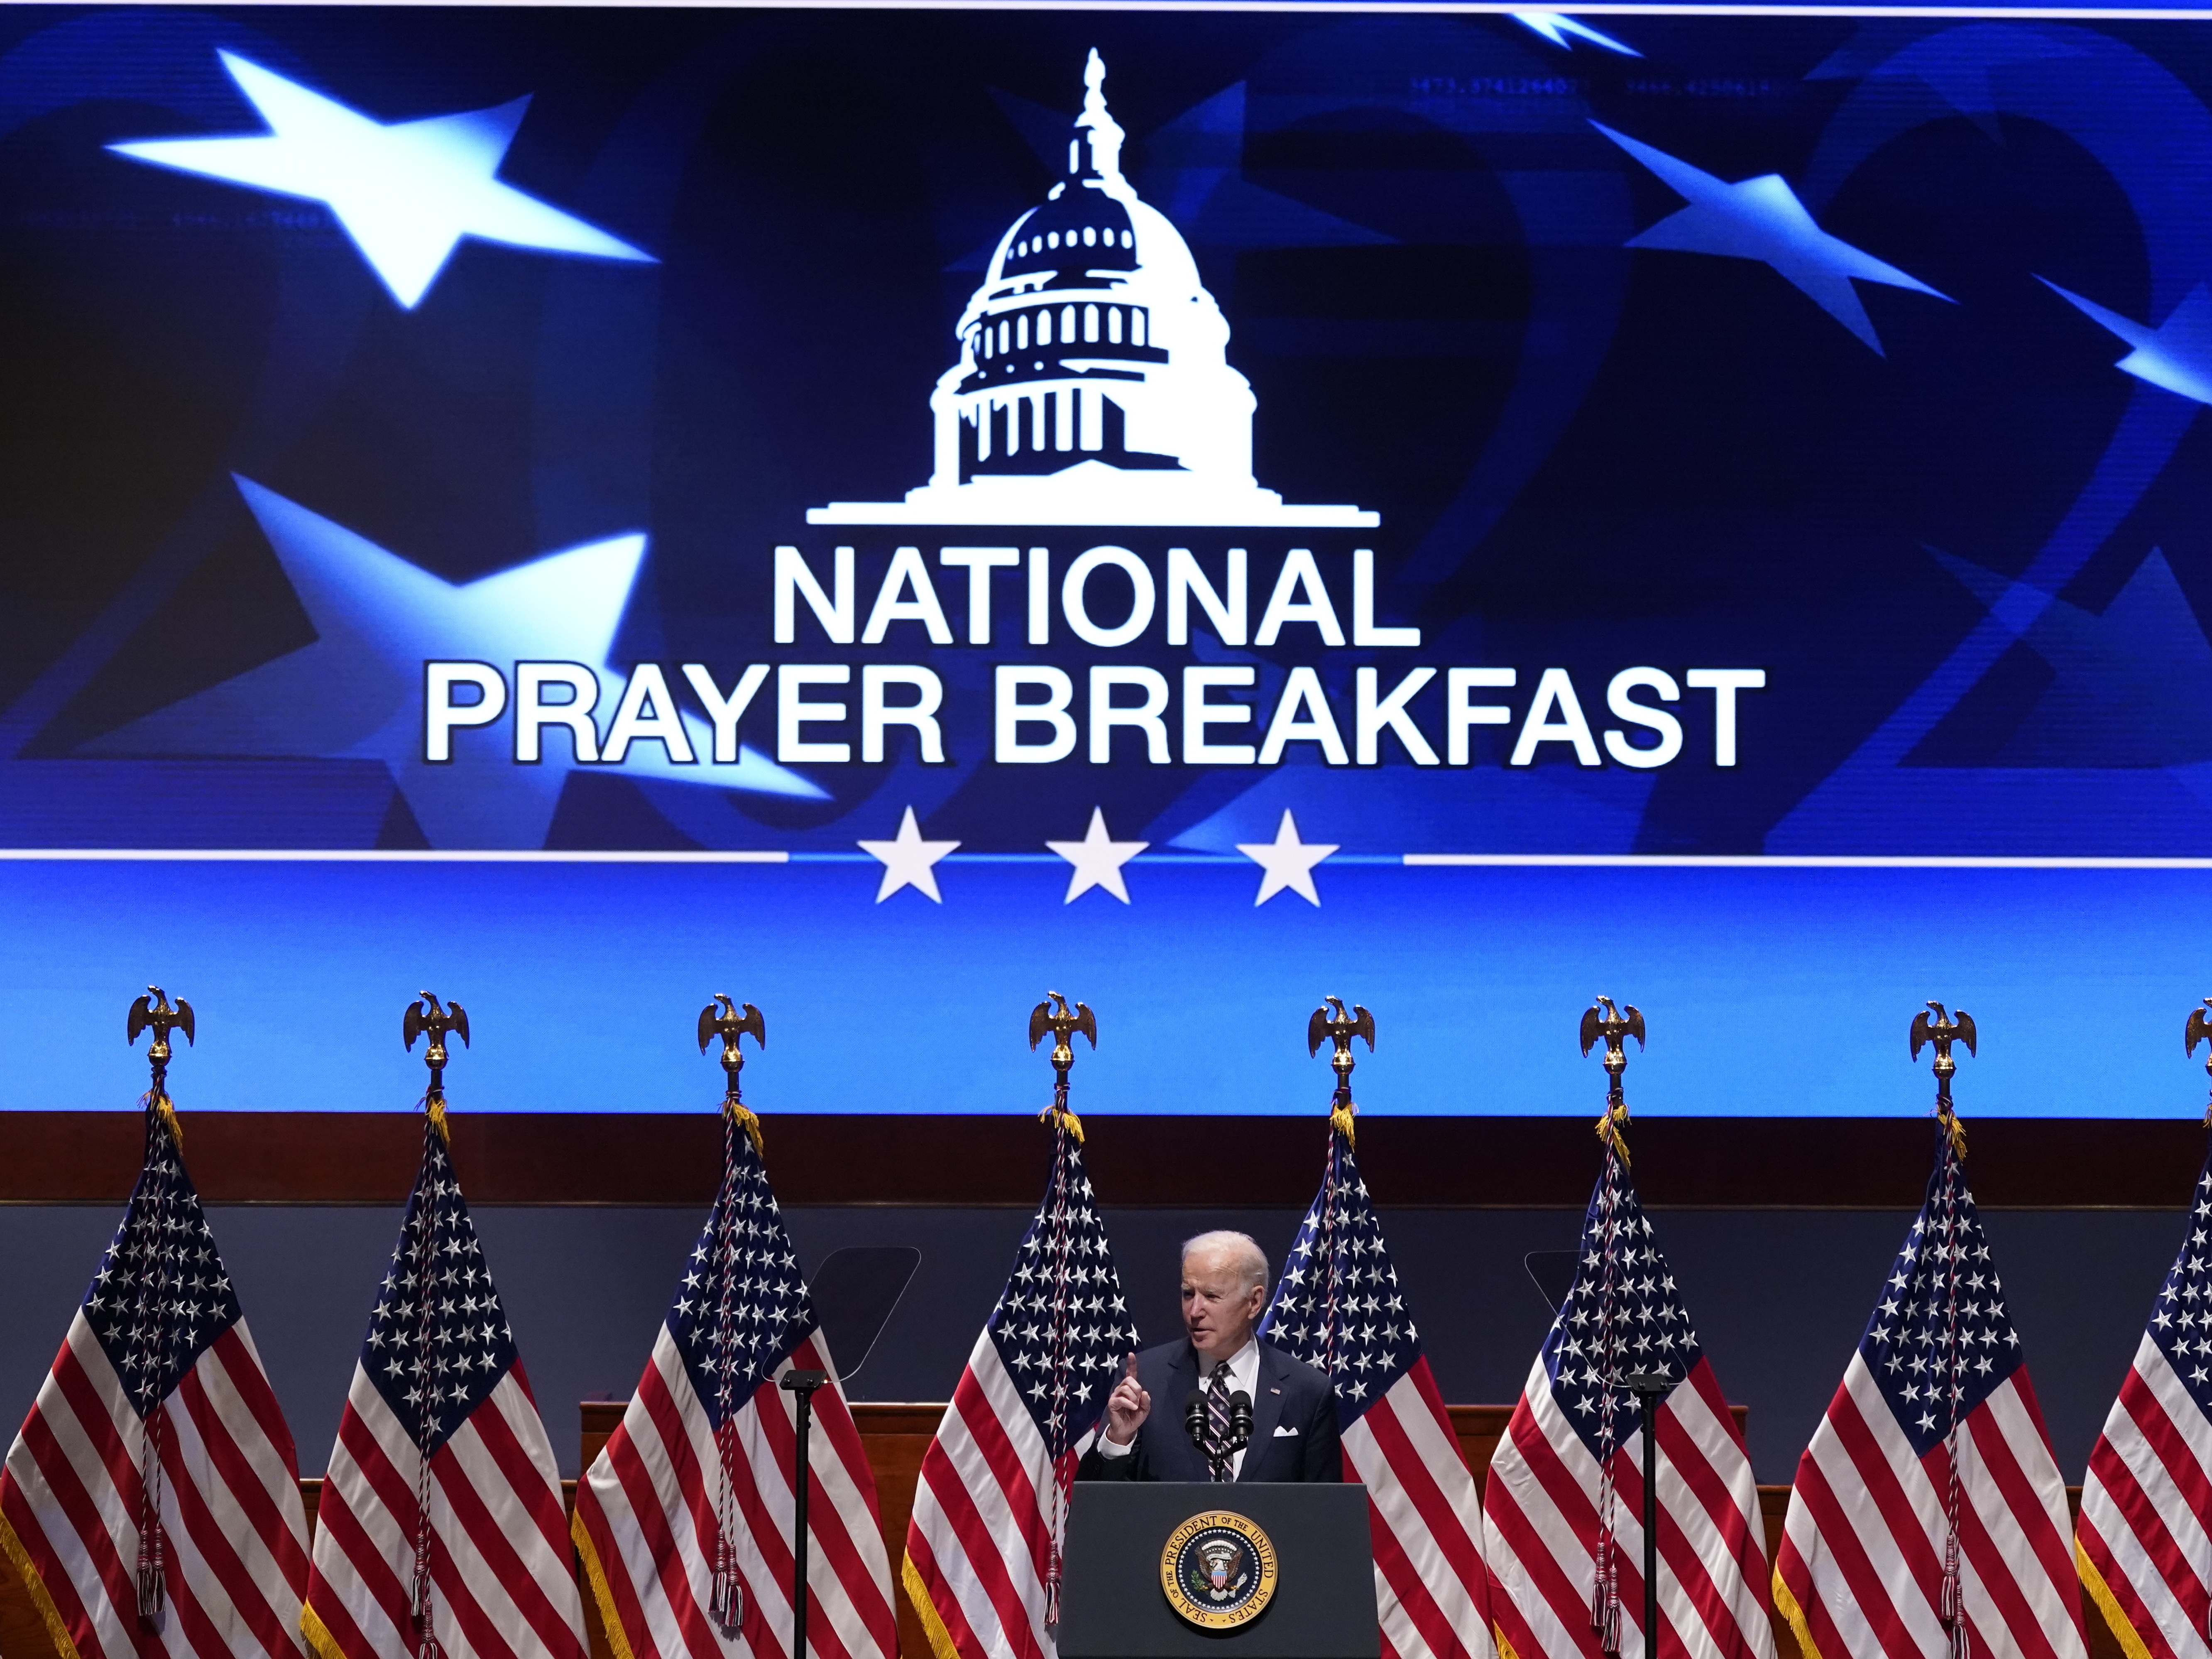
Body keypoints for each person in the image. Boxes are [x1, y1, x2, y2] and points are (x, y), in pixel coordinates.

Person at [1079, 1230, 1339, 1483]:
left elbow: (1326, 1513)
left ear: (1254, 1302)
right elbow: (1097, 1507)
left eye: (1212, 1296)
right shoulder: (1146, 1381)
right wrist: (1118, 1439)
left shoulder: (1307, 1391)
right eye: (1188, 1294)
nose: (1195, 1311)